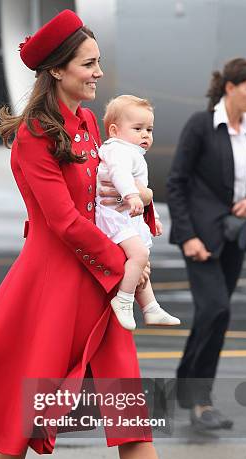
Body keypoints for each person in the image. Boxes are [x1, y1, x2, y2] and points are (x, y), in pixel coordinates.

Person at [0, 9, 225, 459]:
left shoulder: (87, 125)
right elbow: (64, 221)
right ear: (57, 70)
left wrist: (141, 210)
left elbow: (106, 198)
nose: (100, 72)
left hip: (98, 290)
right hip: (49, 292)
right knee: (16, 421)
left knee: (131, 417)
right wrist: (125, 260)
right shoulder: (33, 137)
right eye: (89, 64)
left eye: (98, 61)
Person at [166, 58, 246, 431]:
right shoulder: (201, 125)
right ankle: (201, 402)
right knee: (217, 310)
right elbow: (176, 183)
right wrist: (188, 236)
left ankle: (184, 384)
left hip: (234, 237)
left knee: (212, 315)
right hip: (201, 239)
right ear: (230, 88)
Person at [95, 94, 181, 330]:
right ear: (114, 130)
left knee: (142, 260)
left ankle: (150, 306)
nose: (145, 135)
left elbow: (143, 189)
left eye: (149, 129)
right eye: (138, 128)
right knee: (140, 255)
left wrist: (153, 217)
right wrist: (132, 195)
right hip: (112, 214)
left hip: (124, 214)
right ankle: (123, 299)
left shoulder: (131, 152)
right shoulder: (118, 151)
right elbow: (120, 175)